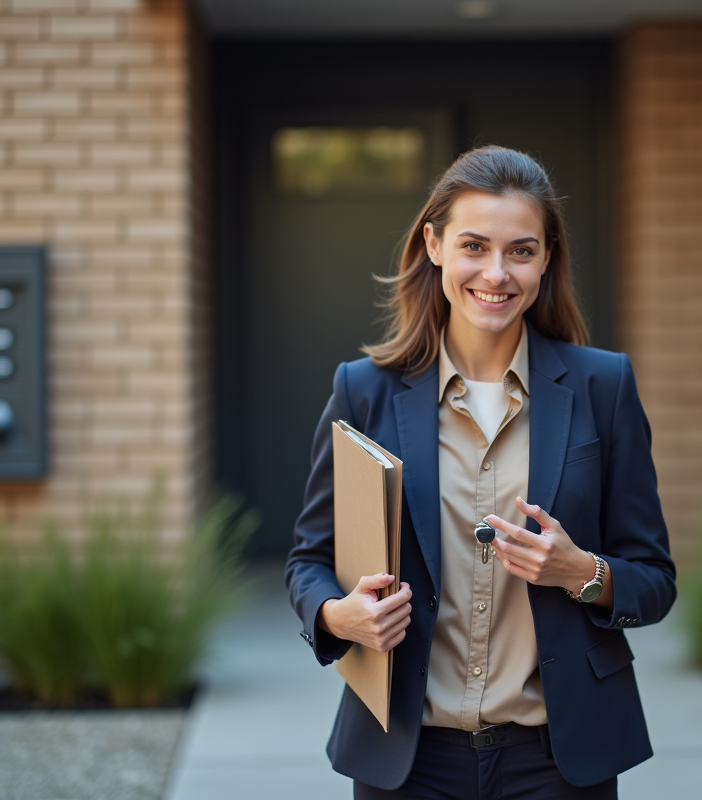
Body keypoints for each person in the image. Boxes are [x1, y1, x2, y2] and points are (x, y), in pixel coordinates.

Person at [285, 145, 676, 799]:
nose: (496, 273)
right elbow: (308, 559)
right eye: (474, 246)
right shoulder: (364, 391)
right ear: (434, 244)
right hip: (408, 761)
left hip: (557, 761)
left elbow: (654, 580)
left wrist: (582, 573)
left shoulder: (603, 386)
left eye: (521, 251)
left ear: (547, 258)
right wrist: (335, 616)